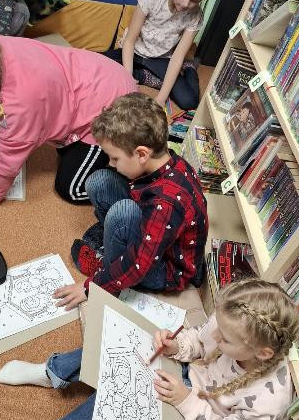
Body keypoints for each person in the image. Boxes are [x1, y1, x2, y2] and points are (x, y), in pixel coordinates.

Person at [0, 278, 298, 420]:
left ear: (262, 353)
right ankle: (53, 372)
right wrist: (177, 346)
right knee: (120, 345)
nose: (216, 335)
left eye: (226, 339)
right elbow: (200, 340)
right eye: (218, 326)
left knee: (125, 394)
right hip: (186, 381)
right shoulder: (232, 324)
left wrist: (186, 400)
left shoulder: (268, 402)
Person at [0, 20, 137, 210]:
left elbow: (10, 152)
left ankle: (137, 186)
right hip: (92, 76)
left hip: (110, 110)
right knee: (65, 155)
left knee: (70, 188)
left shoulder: (19, 102)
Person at [52, 93, 208, 310]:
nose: (111, 163)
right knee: (99, 180)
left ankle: (109, 269)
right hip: (152, 230)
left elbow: (140, 264)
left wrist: (91, 287)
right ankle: (114, 251)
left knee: (122, 212)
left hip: (164, 268)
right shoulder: (167, 161)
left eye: (115, 158)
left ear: (142, 154)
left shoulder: (167, 202)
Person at [103, 0, 216, 111]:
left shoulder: (195, 16)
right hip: (134, 51)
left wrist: (161, 99)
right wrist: (128, 78)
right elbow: (130, 41)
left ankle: (190, 67)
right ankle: (141, 75)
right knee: (98, 65)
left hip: (161, 58)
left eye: (194, 0)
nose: (186, 4)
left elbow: (177, 57)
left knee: (189, 101)